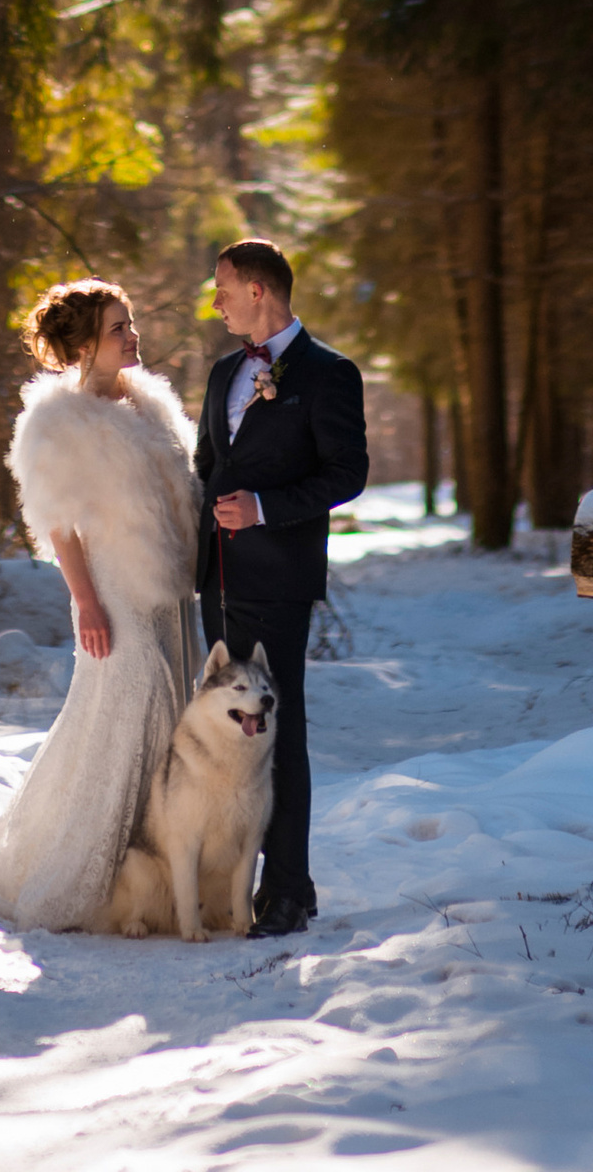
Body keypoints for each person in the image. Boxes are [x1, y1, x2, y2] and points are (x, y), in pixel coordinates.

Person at [0, 276, 201, 931]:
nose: (132, 336)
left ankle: (162, 874)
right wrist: (86, 602)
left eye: (131, 323)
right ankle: (87, 868)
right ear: (85, 344)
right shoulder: (57, 420)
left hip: (172, 589)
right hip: (114, 590)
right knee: (122, 711)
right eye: (118, 328)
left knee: (171, 715)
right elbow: (57, 523)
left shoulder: (149, 403)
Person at [194, 235, 369, 937]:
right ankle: (232, 885)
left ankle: (290, 888)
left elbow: (346, 474)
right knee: (226, 736)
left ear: (258, 290)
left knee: (277, 731)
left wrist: (264, 508)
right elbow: (209, 464)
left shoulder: (329, 373)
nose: (217, 301)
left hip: (279, 582)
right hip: (219, 582)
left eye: (224, 288)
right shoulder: (220, 374)